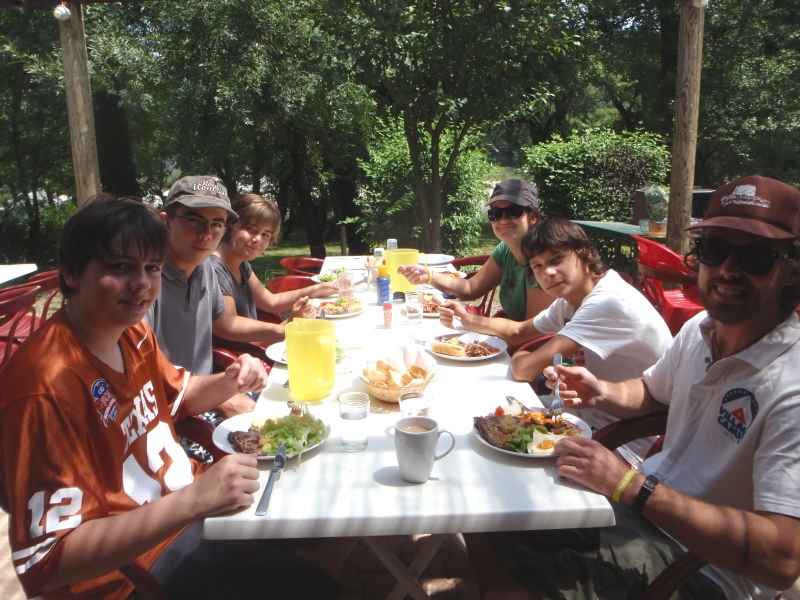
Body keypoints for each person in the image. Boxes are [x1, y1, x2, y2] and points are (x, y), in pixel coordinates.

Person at [468, 176, 800, 600]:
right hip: (639, 505)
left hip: (700, 567)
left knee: (508, 590)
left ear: (791, 268)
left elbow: (781, 559)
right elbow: (651, 391)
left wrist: (628, 485)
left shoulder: (791, 384)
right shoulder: (700, 330)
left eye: (755, 257)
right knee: (483, 510)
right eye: (716, 250)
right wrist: (601, 391)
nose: (728, 270)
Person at [0, 196, 342, 600]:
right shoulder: (46, 387)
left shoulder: (130, 331)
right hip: (134, 574)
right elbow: (47, 563)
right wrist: (194, 501)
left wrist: (228, 381)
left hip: (190, 507)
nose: (142, 284)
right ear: (74, 273)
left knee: (324, 516)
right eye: (120, 267)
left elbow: (178, 396)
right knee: (314, 588)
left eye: (151, 268)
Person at [456, 219, 673, 466]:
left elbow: (524, 369)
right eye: (537, 266)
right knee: (481, 423)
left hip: (630, 440)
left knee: (497, 459)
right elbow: (518, 332)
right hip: (589, 415)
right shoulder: (569, 299)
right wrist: (465, 320)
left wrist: (521, 356)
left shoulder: (607, 302)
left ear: (586, 255)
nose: (547, 272)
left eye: (556, 260)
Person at [145, 176, 289, 418]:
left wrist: (288, 332)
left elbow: (225, 323)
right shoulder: (144, 284)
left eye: (216, 223)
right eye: (194, 220)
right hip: (173, 414)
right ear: (166, 222)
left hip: (208, 390)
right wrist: (221, 401)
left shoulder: (206, 269)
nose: (206, 233)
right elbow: (140, 376)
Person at [397, 179, 552, 324]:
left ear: (533, 217)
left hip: (532, 347)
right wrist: (429, 276)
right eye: (495, 214)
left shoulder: (541, 262)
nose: (503, 220)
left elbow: (533, 331)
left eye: (514, 211)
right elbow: (470, 289)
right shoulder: (505, 250)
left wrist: (469, 323)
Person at [210, 192, 337, 323]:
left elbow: (271, 301)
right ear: (231, 226)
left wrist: (322, 288)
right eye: (251, 229)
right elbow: (232, 333)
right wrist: (290, 323)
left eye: (265, 234)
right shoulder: (215, 270)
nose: (257, 239)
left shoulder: (240, 263)